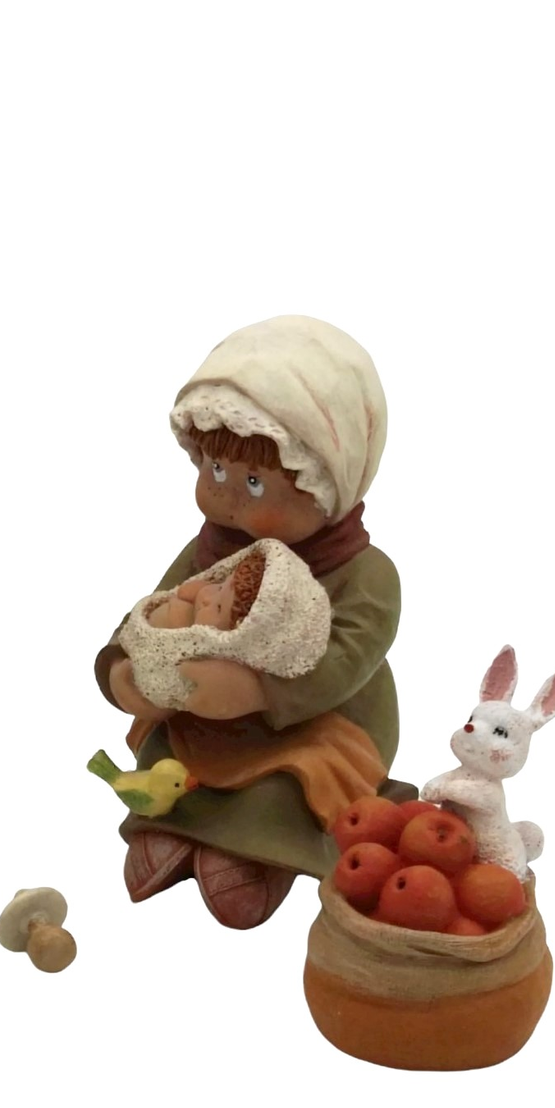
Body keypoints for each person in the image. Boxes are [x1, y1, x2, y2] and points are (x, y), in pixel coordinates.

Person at [94, 315, 403, 929]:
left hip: (314, 723)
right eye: (216, 471)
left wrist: (259, 691)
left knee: (285, 788)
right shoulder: (211, 550)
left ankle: (258, 853)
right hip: (203, 713)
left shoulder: (365, 573)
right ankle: (169, 831)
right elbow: (154, 608)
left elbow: (345, 660)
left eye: (256, 481)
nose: (229, 496)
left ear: (326, 483)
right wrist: (123, 669)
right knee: (166, 754)